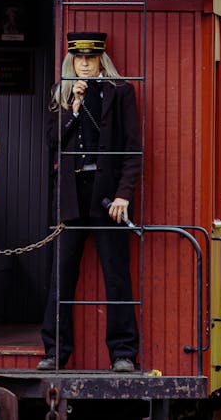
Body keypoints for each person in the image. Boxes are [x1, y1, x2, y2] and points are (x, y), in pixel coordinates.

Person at [38, 31, 141, 372]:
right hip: (70, 196)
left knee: (116, 275)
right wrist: (74, 110)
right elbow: (53, 141)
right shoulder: (62, 94)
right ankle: (55, 352)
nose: (84, 63)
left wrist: (125, 194)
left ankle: (123, 353)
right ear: (71, 60)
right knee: (60, 276)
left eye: (91, 57)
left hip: (108, 196)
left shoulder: (121, 92)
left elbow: (132, 149)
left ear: (101, 59)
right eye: (78, 58)